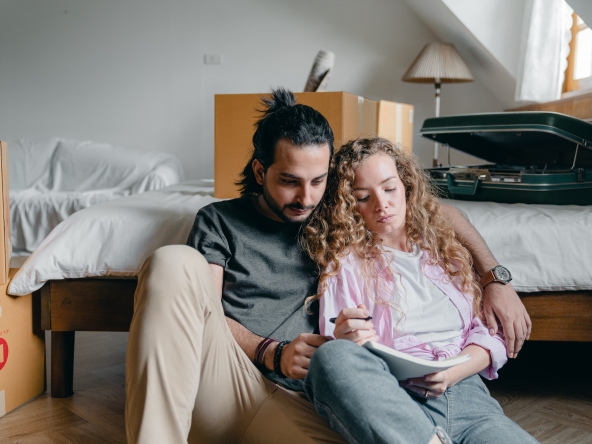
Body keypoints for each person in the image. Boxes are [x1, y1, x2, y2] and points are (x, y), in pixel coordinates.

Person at [125, 88, 531, 443]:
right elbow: (204, 314)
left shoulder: (331, 219)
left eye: (318, 180)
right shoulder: (220, 221)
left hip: (304, 404)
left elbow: (432, 211)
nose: (304, 197)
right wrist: (271, 352)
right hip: (235, 379)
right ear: (259, 171)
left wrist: (495, 277)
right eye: (289, 180)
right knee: (172, 260)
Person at [301, 137, 538, 443]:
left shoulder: (445, 246)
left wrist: (451, 373)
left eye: (389, 188)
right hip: (396, 397)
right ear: (347, 205)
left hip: (467, 396)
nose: (381, 204)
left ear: (406, 185)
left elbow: (490, 331)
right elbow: (342, 348)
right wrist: (350, 337)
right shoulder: (344, 264)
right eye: (362, 197)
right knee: (333, 357)